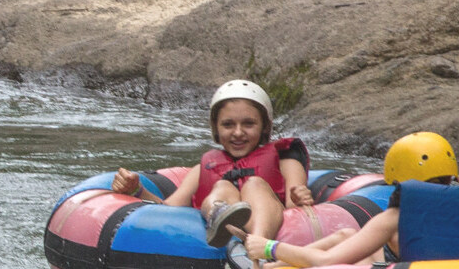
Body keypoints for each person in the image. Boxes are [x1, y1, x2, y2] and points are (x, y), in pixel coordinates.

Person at [243, 132, 459, 269]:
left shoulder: (394, 220)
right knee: (348, 234)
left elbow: (326, 261)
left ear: (395, 179)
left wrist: (268, 246)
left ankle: (272, 265)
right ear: (453, 177)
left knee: (349, 243)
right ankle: (274, 267)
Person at [112, 78, 313, 250]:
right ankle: (220, 216)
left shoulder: (285, 161)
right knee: (221, 187)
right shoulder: (204, 169)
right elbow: (167, 210)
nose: (238, 132)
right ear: (216, 128)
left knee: (255, 184)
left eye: (248, 124)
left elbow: (294, 205)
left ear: (264, 127)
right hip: (220, 217)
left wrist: (300, 196)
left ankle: (257, 248)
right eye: (228, 124)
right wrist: (137, 190)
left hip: (265, 223)